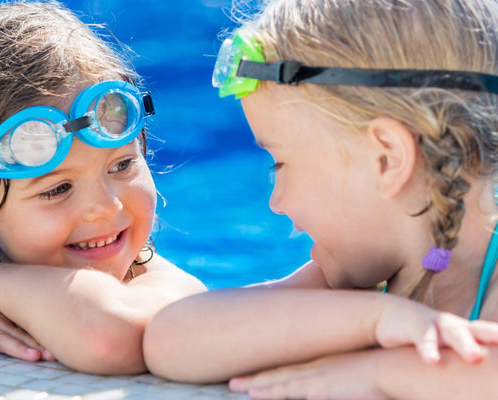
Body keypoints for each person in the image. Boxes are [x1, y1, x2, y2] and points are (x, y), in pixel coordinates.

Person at [142, 0, 498, 397]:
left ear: (387, 159)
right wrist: (377, 319)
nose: (275, 203)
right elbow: (170, 339)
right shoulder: (360, 294)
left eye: (280, 163)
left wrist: (381, 373)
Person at [0, 0, 205, 375]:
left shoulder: (163, 289)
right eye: (58, 189)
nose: (105, 206)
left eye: (122, 165)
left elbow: (109, 339)